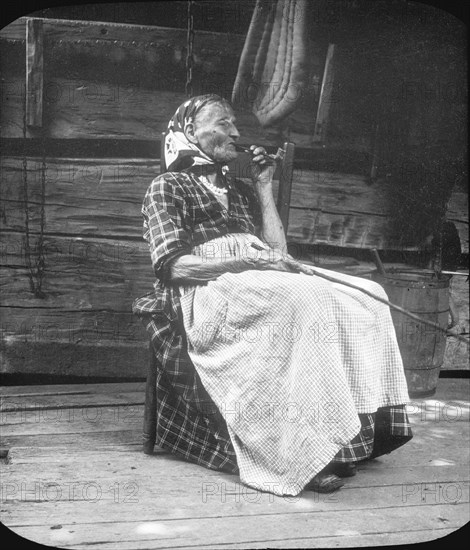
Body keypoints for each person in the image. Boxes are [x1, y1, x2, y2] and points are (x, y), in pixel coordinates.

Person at [133, 94, 412, 496]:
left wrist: (263, 186)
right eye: (223, 123)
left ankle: (346, 438)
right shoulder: (166, 186)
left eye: (235, 124)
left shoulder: (239, 188)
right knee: (305, 299)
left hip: (259, 276)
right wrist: (243, 265)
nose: (235, 131)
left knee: (368, 294)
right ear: (190, 131)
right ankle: (299, 452)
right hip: (207, 289)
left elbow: (278, 252)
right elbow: (173, 267)